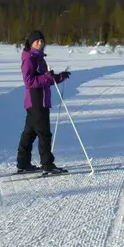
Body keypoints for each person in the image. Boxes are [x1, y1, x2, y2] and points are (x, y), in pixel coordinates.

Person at [17, 30, 71, 173]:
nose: (40, 43)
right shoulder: (29, 58)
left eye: (42, 41)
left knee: (30, 133)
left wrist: (59, 77)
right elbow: (29, 81)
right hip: (36, 100)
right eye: (37, 41)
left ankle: (23, 163)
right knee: (44, 133)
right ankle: (47, 164)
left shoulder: (39, 58)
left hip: (39, 100)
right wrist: (47, 77)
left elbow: (45, 79)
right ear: (31, 43)